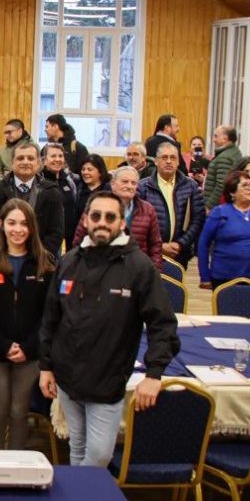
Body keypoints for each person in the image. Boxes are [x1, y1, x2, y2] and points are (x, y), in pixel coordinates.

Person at [39, 191, 179, 467]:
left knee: (99, 455)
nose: (102, 222)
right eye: (96, 215)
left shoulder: (139, 267)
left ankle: (85, 493)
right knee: (77, 447)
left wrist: (154, 373)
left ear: (122, 222)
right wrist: (46, 366)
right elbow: (51, 318)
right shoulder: (69, 262)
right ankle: (79, 495)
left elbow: (162, 323)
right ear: (86, 220)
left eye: (110, 217)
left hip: (107, 381)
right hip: (67, 378)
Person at [0, 198, 56, 450]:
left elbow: (50, 313)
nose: (18, 229)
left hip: (30, 353)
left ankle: (16, 460)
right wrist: (4, 345)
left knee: (19, 411)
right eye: (11, 223)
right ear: (1, 224)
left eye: (24, 223)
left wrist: (28, 347)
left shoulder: (45, 262)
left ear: (32, 227)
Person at [0, 141, 64, 256]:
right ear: (12, 162)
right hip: (2, 257)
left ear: (38, 163)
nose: (25, 162)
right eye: (20, 158)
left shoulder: (52, 193)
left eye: (30, 158)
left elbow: (56, 232)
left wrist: (39, 256)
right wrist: (6, 254)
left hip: (41, 258)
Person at [72, 165, 162, 268]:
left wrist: (153, 271)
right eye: (125, 182)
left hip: (137, 269)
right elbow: (79, 242)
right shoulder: (96, 206)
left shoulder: (148, 210)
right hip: (100, 268)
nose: (129, 186)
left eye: (133, 183)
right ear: (113, 184)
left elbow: (155, 246)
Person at [136, 142, 206, 267]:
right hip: (149, 255)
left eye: (173, 158)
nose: (169, 161)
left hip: (179, 253)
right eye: (164, 157)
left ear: (178, 162)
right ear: (156, 161)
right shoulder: (142, 187)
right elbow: (138, 225)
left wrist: (180, 244)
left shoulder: (191, 186)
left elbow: (198, 219)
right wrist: (159, 246)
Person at [198, 170, 250, 288]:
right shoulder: (219, 212)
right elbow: (203, 243)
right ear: (232, 192)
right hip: (223, 277)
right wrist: (204, 276)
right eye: (245, 185)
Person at [40, 143, 81, 250]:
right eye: (53, 156)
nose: (57, 159)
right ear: (44, 160)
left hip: (69, 237)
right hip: (48, 240)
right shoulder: (38, 182)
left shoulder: (70, 180)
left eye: (60, 156)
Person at [202, 125, 242, 211]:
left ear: (225, 138)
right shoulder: (234, 152)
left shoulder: (225, 157)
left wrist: (209, 206)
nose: (213, 140)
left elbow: (221, 185)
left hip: (217, 208)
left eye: (216, 136)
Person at [76, 153, 111, 225]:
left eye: (90, 169)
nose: (85, 172)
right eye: (83, 169)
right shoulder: (78, 189)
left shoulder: (109, 190)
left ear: (100, 172)